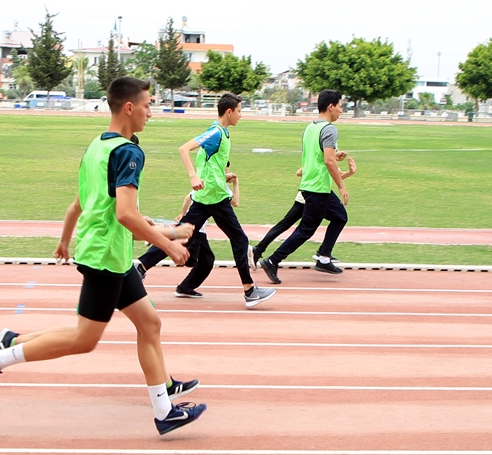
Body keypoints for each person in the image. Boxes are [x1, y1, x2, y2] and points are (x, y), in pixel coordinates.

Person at [0, 76, 207, 436]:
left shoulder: (97, 147)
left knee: (150, 324)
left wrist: (67, 240)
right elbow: (125, 215)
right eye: (147, 106)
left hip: (111, 254)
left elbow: (83, 204)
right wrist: (169, 244)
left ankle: (164, 408)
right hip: (105, 258)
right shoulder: (128, 152)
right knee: (85, 339)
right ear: (129, 107)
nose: (150, 114)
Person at [133, 92, 276, 308]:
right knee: (240, 239)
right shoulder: (215, 132)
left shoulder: (223, 133)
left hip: (207, 197)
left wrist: (222, 176)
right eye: (239, 111)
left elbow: (210, 164)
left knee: (180, 234)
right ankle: (249, 291)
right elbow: (184, 149)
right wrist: (192, 176)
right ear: (229, 111)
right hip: (214, 198)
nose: (241, 116)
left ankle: (141, 267)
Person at [258, 88, 349, 284]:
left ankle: (324, 256)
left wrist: (336, 154)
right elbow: (328, 161)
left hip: (311, 185)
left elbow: (319, 155)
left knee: (340, 217)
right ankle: (272, 261)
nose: (341, 110)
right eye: (340, 106)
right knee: (305, 230)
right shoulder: (330, 129)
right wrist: (342, 187)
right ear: (331, 106)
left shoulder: (310, 128)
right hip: (317, 188)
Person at [251, 153, 356, 266]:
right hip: (307, 199)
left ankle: (258, 250)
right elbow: (299, 172)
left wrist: (350, 172)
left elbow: (336, 176)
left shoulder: (329, 163)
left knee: (285, 225)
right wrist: (331, 159)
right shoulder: (318, 161)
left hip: (314, 198)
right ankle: (322, 253)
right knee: (289, 226)